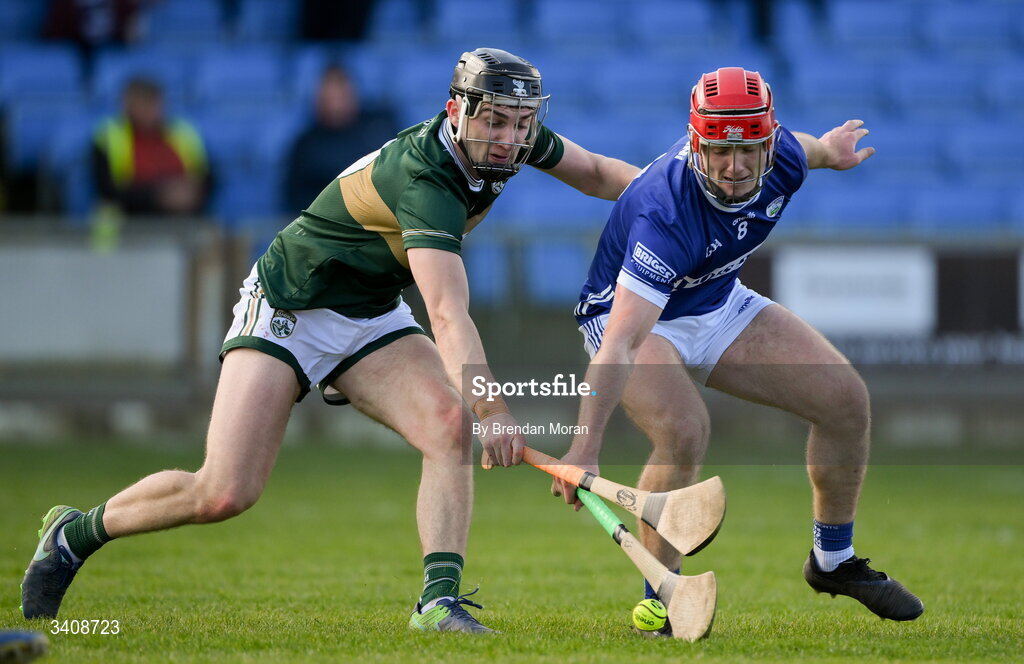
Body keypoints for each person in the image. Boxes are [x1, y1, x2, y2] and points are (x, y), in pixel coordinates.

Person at [21, 48, 640, 634]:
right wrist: (494, 409)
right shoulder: (425, 176)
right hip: (292, 305)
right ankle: (76, 534)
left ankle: (437, 602)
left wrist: (681, 194)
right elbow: (448, 313)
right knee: (224, 492)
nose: (510, 138)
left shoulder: (506, 143)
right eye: (497, 122)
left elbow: (597, 173)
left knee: (446, 425)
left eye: (523, 124)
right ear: (458, 110)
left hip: (368, 313)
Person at [552, 67, 924, 635]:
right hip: (630, 320)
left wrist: (832, 148)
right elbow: (623, 341)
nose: (735, 166)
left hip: (718, 303)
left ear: (768, 141)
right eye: (720, 149)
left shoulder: (784, 160)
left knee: (846, 402)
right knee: (682, 430)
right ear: (696, 141)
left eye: (749, 148)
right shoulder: (665, 211)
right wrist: (583, 448)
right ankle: (662, 595)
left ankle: (833, 562)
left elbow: (808, 148)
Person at [283, 64, 397, 213]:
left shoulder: (379, 127)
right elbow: (296, 198)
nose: (335, 104)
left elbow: (399, 175)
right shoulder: (305, 146)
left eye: (340, 95)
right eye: (329, 97)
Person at [91, 76, 211, 218]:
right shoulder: (108, 137)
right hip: (129, 226)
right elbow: (107, 190)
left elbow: (208, 176)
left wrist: (192, 191)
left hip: (183, 221)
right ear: (127, 104)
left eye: (152, 102)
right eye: (142, 102)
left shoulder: (184, 132)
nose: (148, 109)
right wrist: (158, 196)